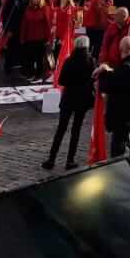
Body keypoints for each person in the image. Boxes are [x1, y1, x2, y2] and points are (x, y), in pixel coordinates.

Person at [44, 36, 96, 171]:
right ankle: (70, 160)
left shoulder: (69, 60)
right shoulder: (91, 61)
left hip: (68, 98)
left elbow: (61, 81)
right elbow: (93, 81)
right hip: (82, 100)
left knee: (61, 129)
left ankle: (51, 159)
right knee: (76, 130)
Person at [102, 34, 130, 164]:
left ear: (120, 49)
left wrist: (104, 71)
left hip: (124, 120)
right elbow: (120, 80)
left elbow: (108, 86)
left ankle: (126, 182)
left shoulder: (127, 68)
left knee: (120, 156)